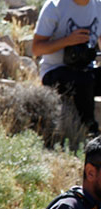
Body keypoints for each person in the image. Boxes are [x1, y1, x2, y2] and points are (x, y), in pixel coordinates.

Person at [32, 0, 101, 135]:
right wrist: (67, 41)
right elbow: (36, 49)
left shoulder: (98, 7)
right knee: (84, 80)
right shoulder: (54, 7)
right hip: (55, 71)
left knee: (87, 77)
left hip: (87, 71)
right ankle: (90, 132)